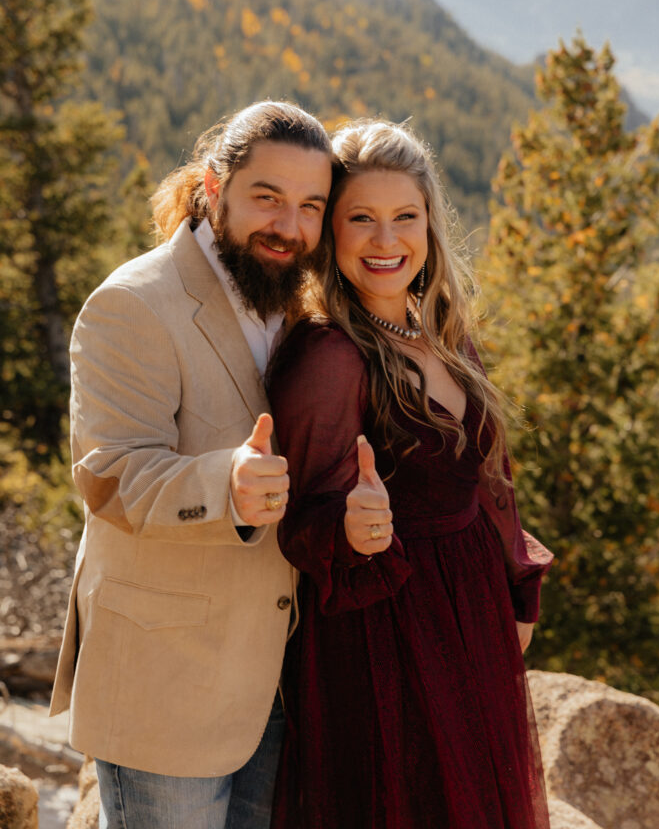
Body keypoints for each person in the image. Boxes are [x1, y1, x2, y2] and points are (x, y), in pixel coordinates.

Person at [49, 101, 335, 829]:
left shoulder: (298, 307)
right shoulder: (132, 304)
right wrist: (225, 485)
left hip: (275, 680)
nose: (289, 225)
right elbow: (110, 476)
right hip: (161, 682)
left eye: (310, 206)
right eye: (266, 198)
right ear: (213, 188)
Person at [267, 119, 554, 829]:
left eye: (405, 217)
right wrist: (350, 528)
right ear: (330, 234)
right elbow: (300, 526)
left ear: (429, 225)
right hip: (383, 645)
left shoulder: (444, 338)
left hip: (469, 622)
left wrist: (516, 585)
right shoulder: (329, 357)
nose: (386, 240)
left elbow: (492, 480)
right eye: (360, 218)